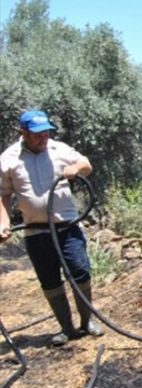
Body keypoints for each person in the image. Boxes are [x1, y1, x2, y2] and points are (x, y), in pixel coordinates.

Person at [0, 110, 103, 346]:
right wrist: (3, 224)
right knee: (49, 280)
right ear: (23, 133)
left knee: (80, 271)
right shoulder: (9, 159)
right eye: (37, 134)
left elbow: (86, 164)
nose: (43, 137)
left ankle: (86, 322)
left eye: (46, 132)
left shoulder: (59, 150)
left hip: (67, 226)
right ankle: (66, 328)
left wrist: (75, 169)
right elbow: (3, 194)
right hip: (36, 231)